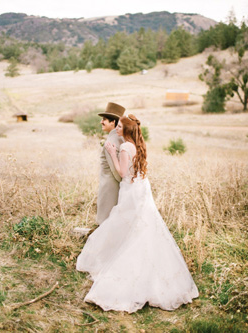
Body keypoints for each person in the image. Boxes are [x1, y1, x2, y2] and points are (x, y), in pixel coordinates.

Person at [76, 114, 199, 313]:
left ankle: (122, 265)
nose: (117, 128)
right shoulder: (138, 145)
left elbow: (123, 173)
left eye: (120, 126)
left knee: (126, 224)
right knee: (142, 226)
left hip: (131, 191)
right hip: (142, 188)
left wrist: (113, 153)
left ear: (126, 130)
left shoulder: (124, 147)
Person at [97, 102, 125, 224]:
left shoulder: (112, 141)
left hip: (110, 187)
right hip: (114, 185)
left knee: (106, 221)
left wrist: (124, 182)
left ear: (113, 122)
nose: (101, 122)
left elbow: (115, 170)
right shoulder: (120, 138)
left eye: (104, 120)